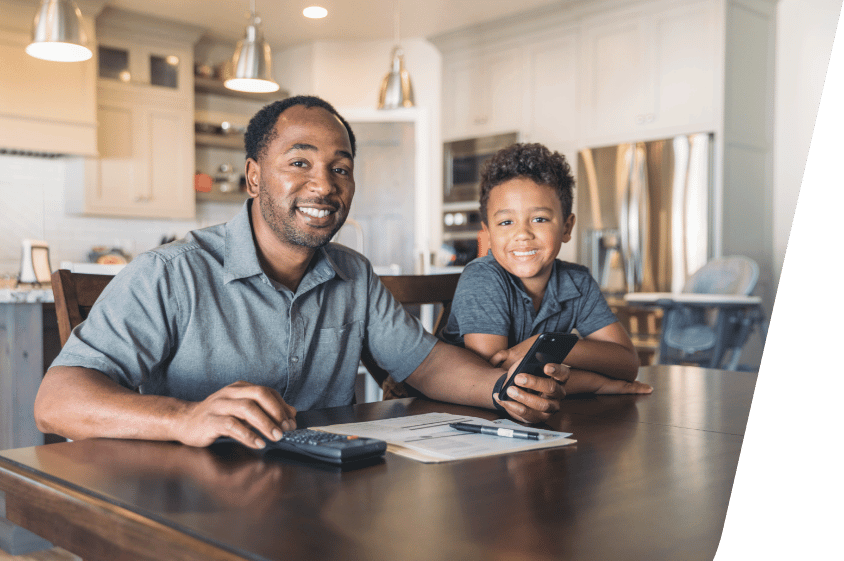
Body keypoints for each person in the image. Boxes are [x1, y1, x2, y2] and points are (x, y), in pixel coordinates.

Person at [34, 96, 574, 454]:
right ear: (253, 177)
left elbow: (427, 363)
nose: (324, 185)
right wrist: (183, 418)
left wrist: (504, 390)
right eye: (300, 163)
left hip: (318, 507)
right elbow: (55, 402)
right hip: (188, 518)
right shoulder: (169, 274)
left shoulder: (353, 275)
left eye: (340, 168)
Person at [441, 142, 652, 395]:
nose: (522, 234)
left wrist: (541, 347)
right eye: (506, 222)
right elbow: (497, 382)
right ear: (487, 233)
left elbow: (627, 364)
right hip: (454, 414)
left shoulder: (576, 282)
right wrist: (597, 383)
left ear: (566, 227)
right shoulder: (482, 279)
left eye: (539, 219)